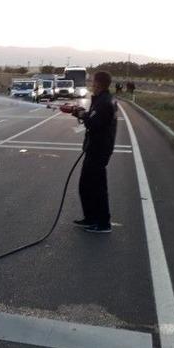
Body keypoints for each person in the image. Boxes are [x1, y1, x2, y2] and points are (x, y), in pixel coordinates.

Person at [71, 71, 118, 233]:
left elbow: (94, 123)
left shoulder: (105, 102)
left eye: (93, 81)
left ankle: (103, 223)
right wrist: (80, 113)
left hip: (99, 149)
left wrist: (82, 115)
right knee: (85, 185)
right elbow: (92, 118)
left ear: (98, 83)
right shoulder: (101, 99)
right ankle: (90, 218)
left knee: (97, 187)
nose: (91, 83)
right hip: (94, 148)